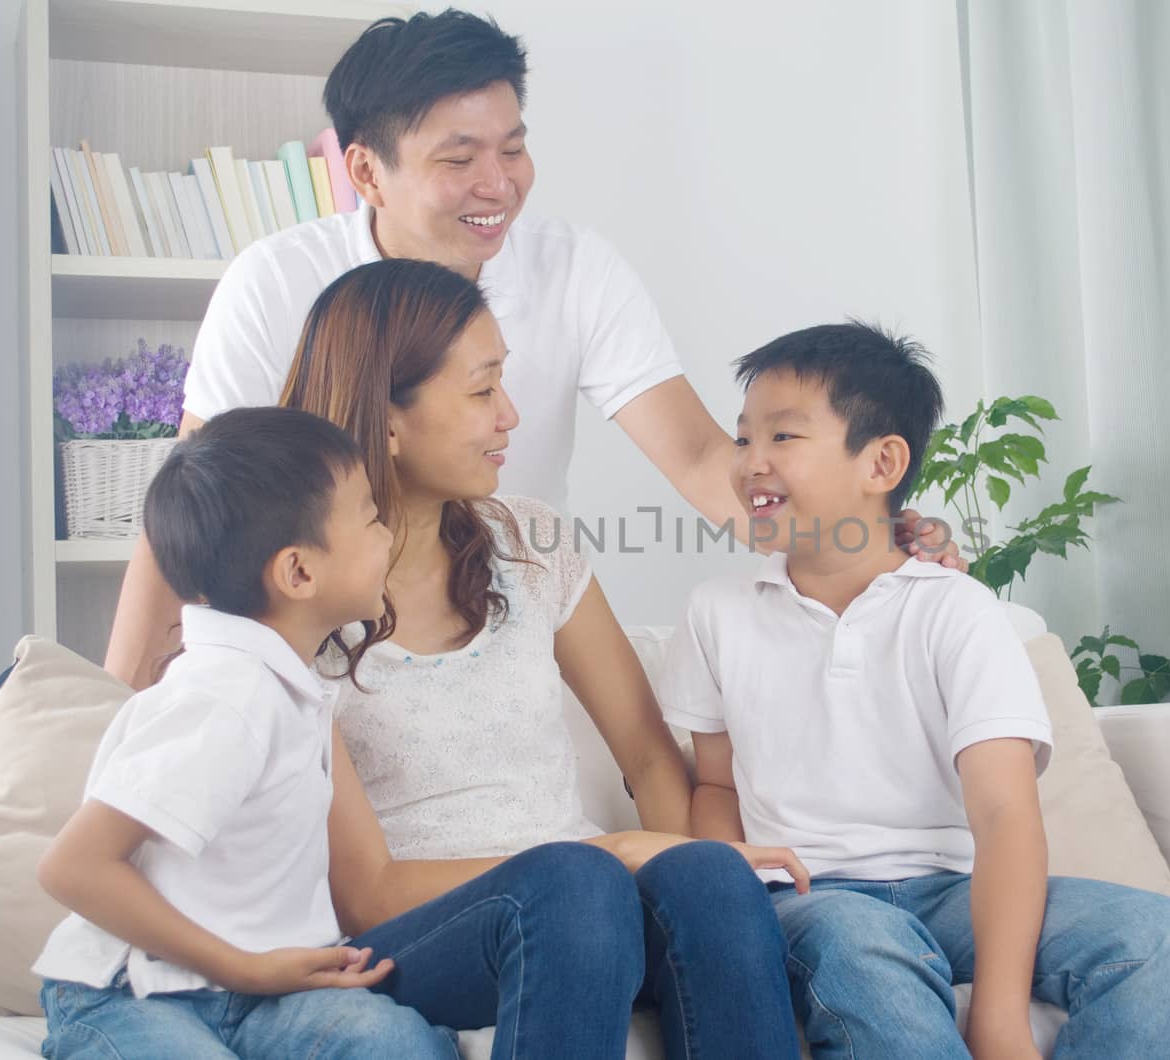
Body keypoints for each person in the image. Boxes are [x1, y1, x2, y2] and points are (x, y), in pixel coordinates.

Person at [103, 8, 955, 690]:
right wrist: (115, 712)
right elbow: (192, 508)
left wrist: (863, 542)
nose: (499, 184)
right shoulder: (277, 281)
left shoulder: (575, 269)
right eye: (459, 157)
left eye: (513, 147)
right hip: (315, 634)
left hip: (493, 622)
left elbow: (702, 458)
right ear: (365, 172)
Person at [275, 257, 807, 1059]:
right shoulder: (298, 593)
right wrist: (609, 854)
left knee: (710, 877)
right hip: (419, 933)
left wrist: (666, 863)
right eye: (483, 389)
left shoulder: (530, 541)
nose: (511, 415)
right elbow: (365, 894)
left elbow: (648, 757)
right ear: (389, 419)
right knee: (573, 884)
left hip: (583, 906)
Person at [660, 322, 1170, 1060]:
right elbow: (714, 785)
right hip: (804, 898)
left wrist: (998, 1012)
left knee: (1159, 939)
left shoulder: (958, 610)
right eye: (742, 440)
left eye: (782, 438)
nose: (750, 463)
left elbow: (1005, 815)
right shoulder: (717, 613)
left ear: (882, 462)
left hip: (951, 892)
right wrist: (729, 901)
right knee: (865, 941)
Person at [31, 407, 457, 1059]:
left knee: (395, 1040)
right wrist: (243, 967)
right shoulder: (226, 696)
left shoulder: (289, 687)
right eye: (371, 518)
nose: (388, 533)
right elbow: (73, 866)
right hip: (133, 992)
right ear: (298, 573)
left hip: (258, 997)